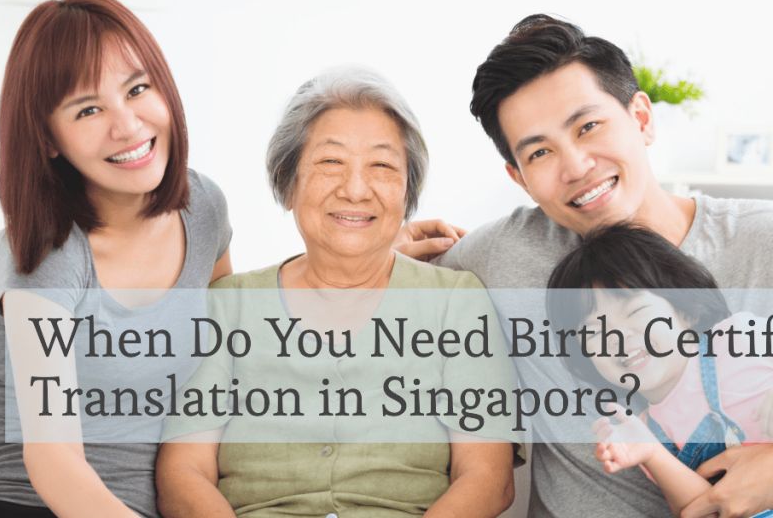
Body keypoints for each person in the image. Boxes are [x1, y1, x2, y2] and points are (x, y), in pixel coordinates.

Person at [416, 14, 773, 518]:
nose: (577, 167)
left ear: (642, 117)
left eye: (588, 127)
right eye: (539, 153)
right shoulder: (502, 256)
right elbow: (369, 274)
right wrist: (384, 235)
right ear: (518, 177)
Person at [155, 65, 520, 518]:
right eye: (331, 162)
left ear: (407, 194)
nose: (355, 189)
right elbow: (182, 475)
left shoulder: (457, 303)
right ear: (288, 183)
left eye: (382, 166)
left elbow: (487, 477)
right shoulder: (227, 306)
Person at [0, 0, 232, 518]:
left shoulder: (203, 207)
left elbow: (235, 331)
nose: (127, 126)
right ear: (49, 139)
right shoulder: (46, 251)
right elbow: (54, 460)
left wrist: (366, 251)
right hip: (16, 503)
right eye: (89, 109)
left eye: (138, 88)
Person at [546, 222, 773, 517]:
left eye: (636, 313)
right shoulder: (645, 431)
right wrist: (652, 454)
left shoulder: (737, 337)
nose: (618, 337)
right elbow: (705, 508)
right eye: (593, 332)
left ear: (685, 312)